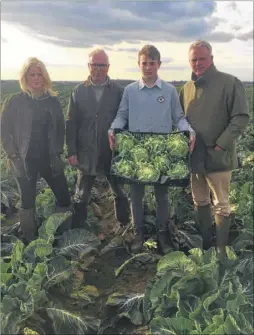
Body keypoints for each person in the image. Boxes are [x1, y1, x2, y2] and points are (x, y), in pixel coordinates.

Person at [109, 45, 196, 255]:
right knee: (136, 195)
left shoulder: (168, 91)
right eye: (144, 63)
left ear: (159, 64)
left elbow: (178, 117)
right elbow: (122, 115)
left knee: (162, 196)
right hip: (137, 151)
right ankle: (138, 233)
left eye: (152, 63)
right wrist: (113, 128)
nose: (148, 67)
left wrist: (189, 131)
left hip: (162, 151)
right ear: (139, 64)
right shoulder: (130, 90)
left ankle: (162, 234)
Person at [179, 40, 249, 258]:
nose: (197, 63)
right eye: (193, 59)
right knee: (200, 200)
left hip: (218, 155)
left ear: (211, 58)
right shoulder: (186, 89)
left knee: (221, 204)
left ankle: (220, 249)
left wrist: (221, 144)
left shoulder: (229, 83)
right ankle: (206, 245)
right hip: (195, 156)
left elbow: (241, 117)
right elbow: (181, 120)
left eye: (201, 58)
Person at [1, 57, 72, 243]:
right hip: (24, 160)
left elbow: (60, 129)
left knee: (64, 196)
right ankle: (30, 239)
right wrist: (13, 154)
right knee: (27, 201)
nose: (36, 78)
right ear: (25, 78)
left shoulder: (53, 101)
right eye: (32, 74)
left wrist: (58, 151)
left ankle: (64, 234)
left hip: (50, 159)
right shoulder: (15, 101)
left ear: (45, 76)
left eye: (39, 74)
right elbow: (4, 130)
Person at [66, 48, 130, 229]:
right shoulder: (78, 91)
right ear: (89, 66)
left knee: (119, 190)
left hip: (111, 150)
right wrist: (71, 151)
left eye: (102, 65)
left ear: (108, 67)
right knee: (81, 194)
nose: (98, 69)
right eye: (95, 65)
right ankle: (80, 229)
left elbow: (125, 119)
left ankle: (123, 226)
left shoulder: (118, 91)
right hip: (86, 150)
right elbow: (71, 123)